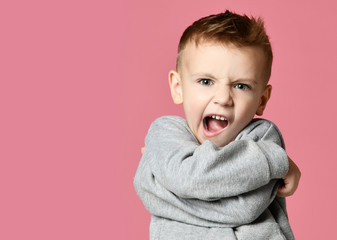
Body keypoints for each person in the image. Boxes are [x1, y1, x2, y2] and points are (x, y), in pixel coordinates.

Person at [134, 10, 301, 240]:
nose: (223, 98)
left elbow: (245, 207)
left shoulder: (263, 138)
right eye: (206, 81)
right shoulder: (166, 133)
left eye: (241, 86)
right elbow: (150, 187)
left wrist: (166, 194)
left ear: (261, 100)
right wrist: (275, 162)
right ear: (178, 87)